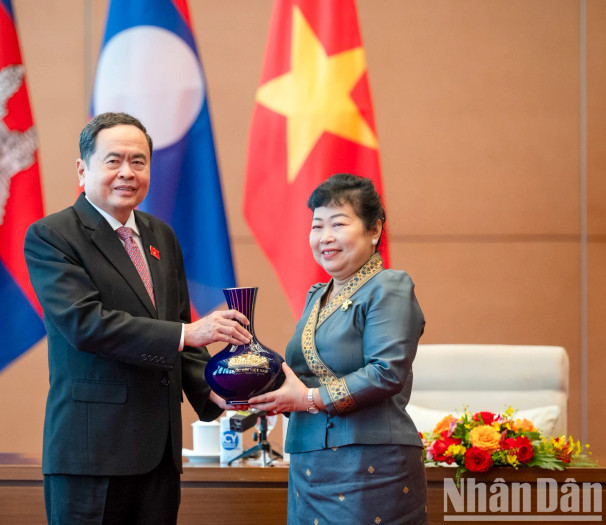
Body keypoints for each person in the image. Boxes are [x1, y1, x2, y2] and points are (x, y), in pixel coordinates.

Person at [24, 112, 250, 525]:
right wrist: (187, 332)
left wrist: (219, 389)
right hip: (93, 455)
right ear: (83, 168)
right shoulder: (52, 236)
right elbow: (85, 324)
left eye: (139, 161)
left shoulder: (161, 235)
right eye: (113, 161)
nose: (127, 172)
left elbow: (181, 334)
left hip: (160, 455)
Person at [248, 173, 428, 524]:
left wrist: (308, 400)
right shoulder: (317, 295)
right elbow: (302, 378)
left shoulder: (388, 287)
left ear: (374, 230)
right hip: (308, 463)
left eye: (338, 224)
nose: (324, 237)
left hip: (370, 466)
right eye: (317, 226)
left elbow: (386, 372)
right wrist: (252, 385)